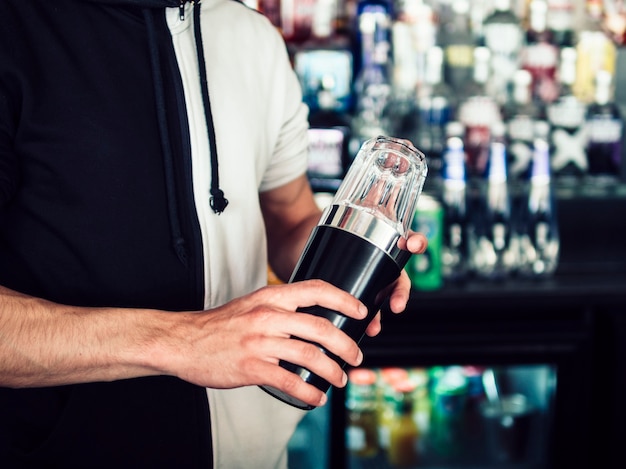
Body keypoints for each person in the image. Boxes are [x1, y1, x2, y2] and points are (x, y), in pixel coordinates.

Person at [0, 1, 427, 467]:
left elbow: (287, 215)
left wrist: (355, 260)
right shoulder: (16, 30)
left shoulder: (254, 37)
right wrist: (184, 340)